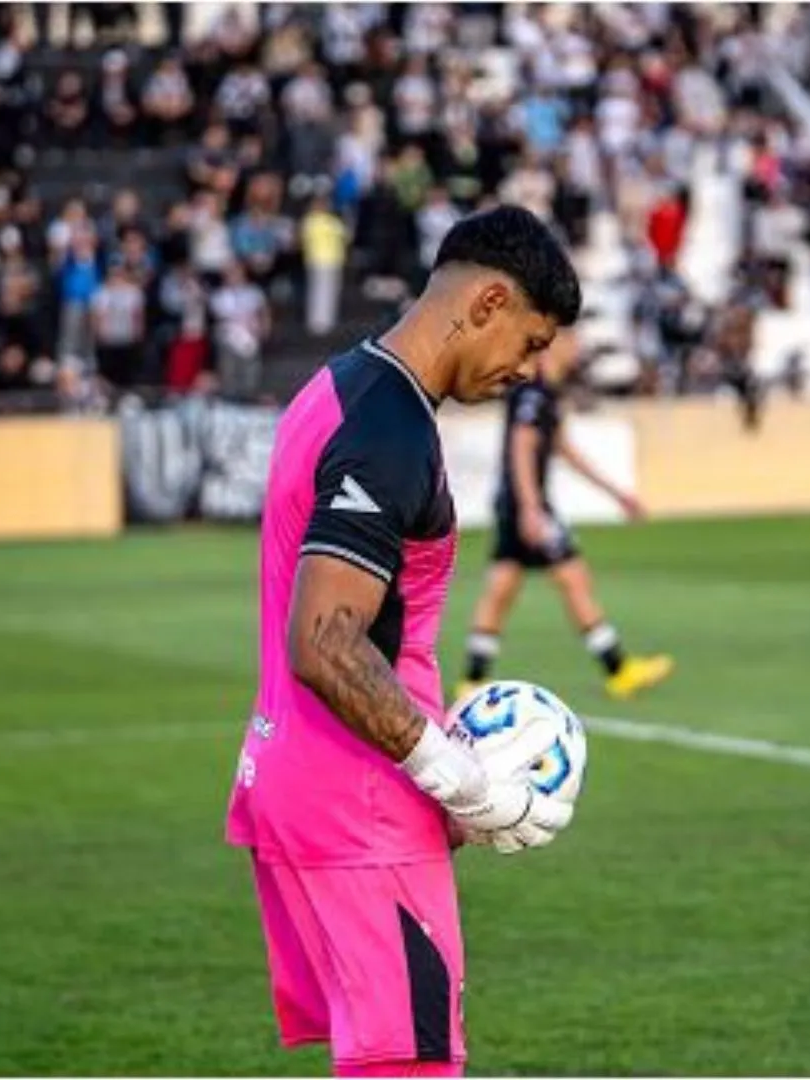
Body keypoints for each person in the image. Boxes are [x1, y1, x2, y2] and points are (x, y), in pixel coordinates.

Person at [225, 206, 583, 1079]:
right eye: (531, 342)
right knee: (410, 1067)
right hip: (362, 809)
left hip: (299, 783)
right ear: (488, 301)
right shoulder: (388, 431)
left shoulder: (339, 386)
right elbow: (326, 641)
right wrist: (457, 777)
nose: (527, 369)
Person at [457, 332, 673, 703]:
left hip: (516, 504)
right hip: (526, 505)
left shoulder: (548, 392)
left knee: (501, 588)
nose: (578, 349)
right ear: (554, 345)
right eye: (572, 341)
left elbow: (563, 449)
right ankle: (618, 669)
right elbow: (521, 447)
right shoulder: (534, 392)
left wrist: (616, 493)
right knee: (573, 579)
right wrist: (530, 508)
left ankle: (472, 679)